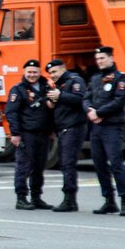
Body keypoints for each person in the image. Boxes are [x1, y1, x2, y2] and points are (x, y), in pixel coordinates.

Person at [83, 46, 125, 216]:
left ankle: (124, 200)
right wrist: (90, 111)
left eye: (102, 58)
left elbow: (119, 101)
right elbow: (87, 98)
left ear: (111, 58)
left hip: (111, 127)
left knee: (116, 163)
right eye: (97, 59)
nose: (99, 62)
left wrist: (99, 113)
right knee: (99, 164)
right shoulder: (95, 79)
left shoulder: (120, 78)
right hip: (96, 127)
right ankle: (109, 201)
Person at [5, 59, 55, 210]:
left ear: (40, 73)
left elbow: (52, 112)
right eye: (29, 72)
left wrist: (52, 129)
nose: (32, 75)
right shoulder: (18, 90)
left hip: (43, 134)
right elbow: (11, 112)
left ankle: (36, 197)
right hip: (27, 134)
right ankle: (21, 198)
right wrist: (15, 134)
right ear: (24, 73)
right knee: (24, 167)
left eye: (35, 72)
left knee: (39, 167)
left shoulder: (46, 88)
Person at [45, 58, 87, 212]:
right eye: (50, 73)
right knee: (65, 163)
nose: (53, 75)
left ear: (63, 69)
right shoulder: (59, 85)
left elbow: (80, 99)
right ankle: (70, 199)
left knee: (68, 163)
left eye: (55, 71)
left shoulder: (74, 81)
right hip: (63, 128)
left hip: (73, 127)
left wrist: (60, 96)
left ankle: (69, 199)